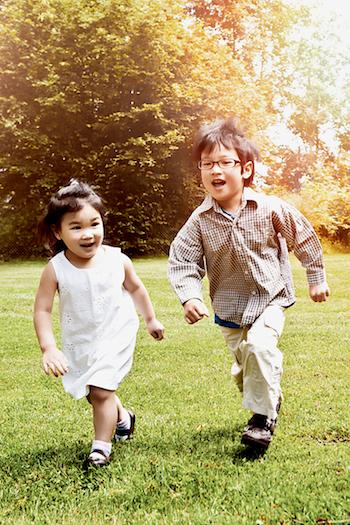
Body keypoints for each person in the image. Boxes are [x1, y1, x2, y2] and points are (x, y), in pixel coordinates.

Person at [168, 117, 330, 450]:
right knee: (244, 370)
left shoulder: (269, 208)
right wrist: (189, 297)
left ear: (245, 169)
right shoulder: (199, 221)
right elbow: (182, 261)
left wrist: (316, 278)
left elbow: (304, 237)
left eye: (225, 162)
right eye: (207, 164)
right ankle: (269, 397)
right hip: (229, 309)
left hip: (270, 299)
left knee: (259, 347)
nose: (216, 170)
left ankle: (260, 421)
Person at [34, 179, 164, 467]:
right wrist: (49, 348)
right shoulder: (55, 269)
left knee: (102, 389)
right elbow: (42, 310)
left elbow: (136, 289)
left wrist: (151, 319)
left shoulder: (117, 260)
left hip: (116, 332)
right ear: (58, 232)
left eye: (94, 224)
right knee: (95, 393)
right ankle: (123, 418)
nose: (88, 234)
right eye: (76, 227)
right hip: (81, 339)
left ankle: (100, 449)